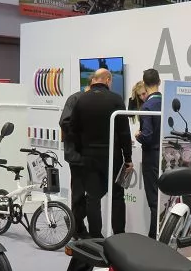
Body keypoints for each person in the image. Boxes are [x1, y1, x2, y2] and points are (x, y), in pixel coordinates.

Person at [69, 68, 132, 238]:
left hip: (88, 156)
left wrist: (80, 151)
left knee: (92, 197)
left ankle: (96, 237)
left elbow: (72, 130)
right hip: (112, 155)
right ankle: (119, 236)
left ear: (94, 79)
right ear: (108, 80)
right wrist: (128, 158)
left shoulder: (81, 100)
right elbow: (124, 132)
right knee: (117, 196)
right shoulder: (116, 99)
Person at [135, 69, 162, 238]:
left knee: (154, 201)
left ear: (144, 84)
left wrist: (138, 136)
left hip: (151, 158)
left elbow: (147, 136)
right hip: (165, 156)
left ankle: (153, 237)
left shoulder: (147, 106)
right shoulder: (167, 102)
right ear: (159, 82)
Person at [59, 86, 88, 239]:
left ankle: (75, 221)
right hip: (76, 154)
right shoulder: (75, 99)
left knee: (92, 192)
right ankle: (77, 226)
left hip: (88, 154)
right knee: (78, 192)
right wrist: (84, 135)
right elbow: (64, 122)